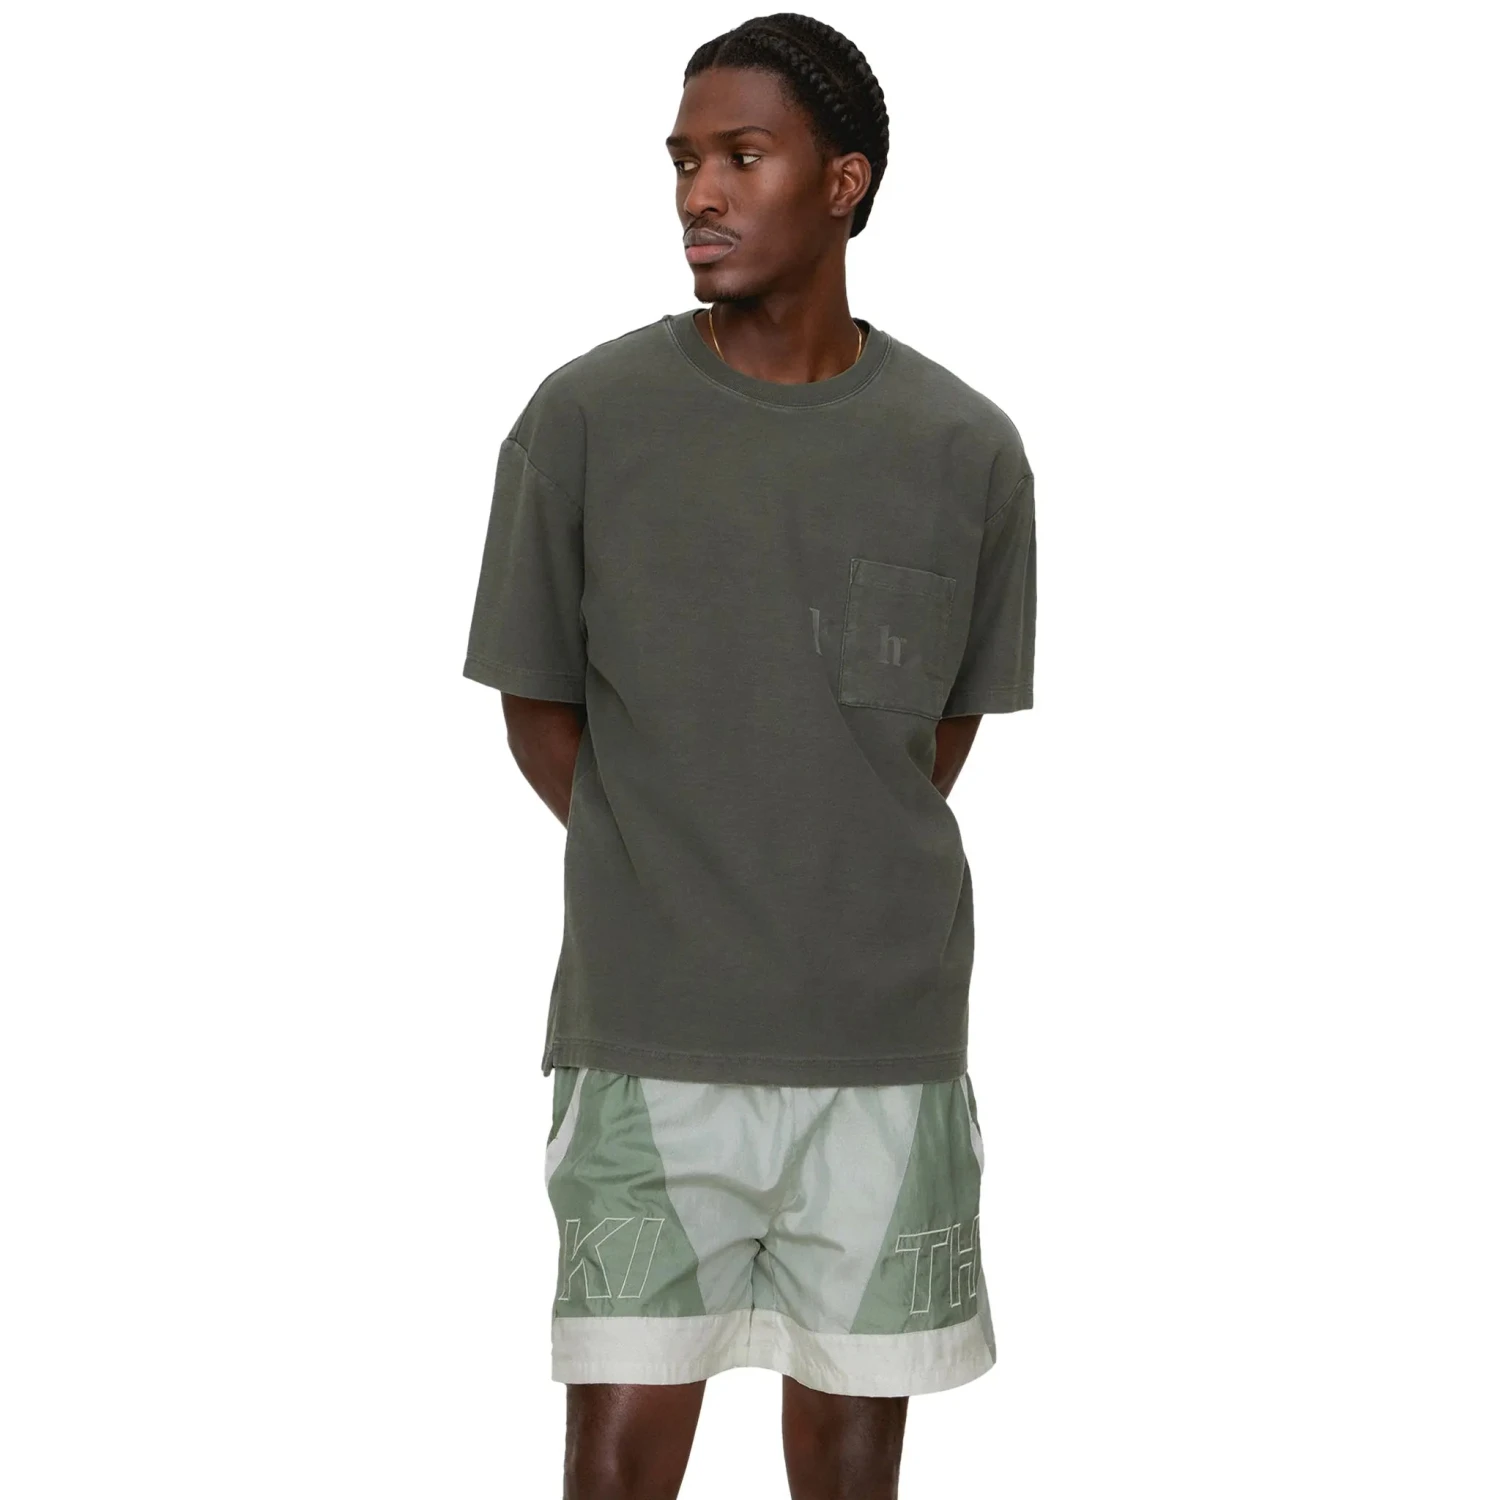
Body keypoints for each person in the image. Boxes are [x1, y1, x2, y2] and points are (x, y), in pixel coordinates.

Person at [462, 13, 1037, 1497]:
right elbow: (537, 707)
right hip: (650, 1038)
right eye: (683, 162)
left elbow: (938, 730)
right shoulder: (587, 419)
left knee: (854, 1461)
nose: (698, 194)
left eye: (741, 156)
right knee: (618, 1458)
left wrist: (812, 856)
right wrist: (677, 856)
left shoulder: (965, 448)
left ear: (844, 182)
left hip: (884, 1046)